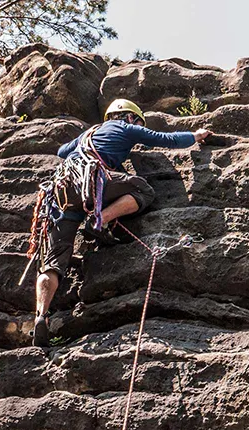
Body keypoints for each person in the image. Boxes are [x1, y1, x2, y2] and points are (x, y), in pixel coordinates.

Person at [32, 98, 212, 347]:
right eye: (137, 121)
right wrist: (196, 135)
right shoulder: (125, 127)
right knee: (143, 190)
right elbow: (165, 139)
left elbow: (62, 151)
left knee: (52, 264)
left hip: (62, 194)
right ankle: (100, 219)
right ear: (129, 117)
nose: (137, 126)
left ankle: (41, 316)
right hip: (92, 183)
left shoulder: (88, 134)